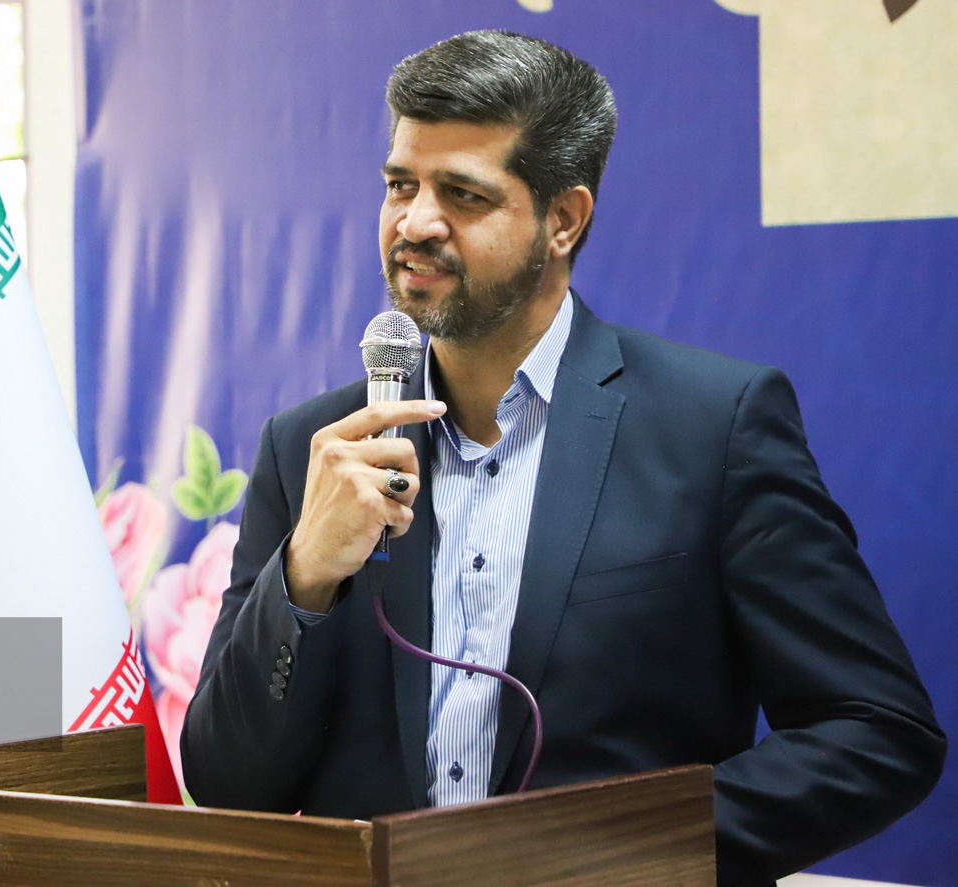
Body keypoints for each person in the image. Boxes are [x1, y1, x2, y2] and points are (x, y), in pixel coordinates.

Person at [179, 30, 945, 887]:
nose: (414, 222)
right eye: (400, 184)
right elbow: (226, 782)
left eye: (462, 194)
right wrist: (305, 576)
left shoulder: (712, 427)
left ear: (563, 220)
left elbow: (876, 729)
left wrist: (614, 858)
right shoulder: (313, 450)